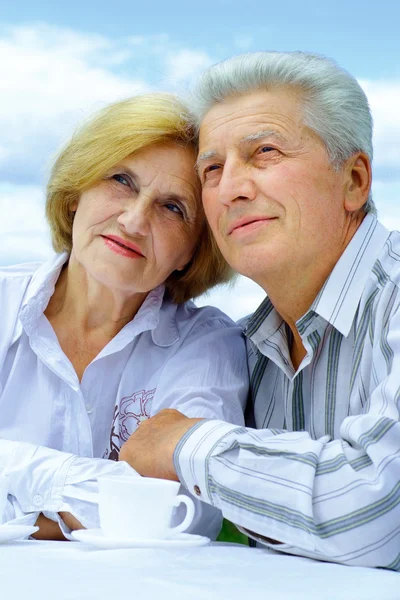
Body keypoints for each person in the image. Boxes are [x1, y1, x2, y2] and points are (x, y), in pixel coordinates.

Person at [119, 52, 400, 569]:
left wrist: (184, 441)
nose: (231, 189)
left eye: (265, 151)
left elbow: (376, 517)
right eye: (212, 169)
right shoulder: (241, 350)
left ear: (355, 180)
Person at [0, 92, 248, 540]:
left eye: (173, 208)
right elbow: (139, 507)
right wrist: (112, 491)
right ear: (76, 194)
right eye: (121, 180)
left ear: (192, 252)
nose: (134, 220)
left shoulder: (207, 344)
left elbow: (177, 512)